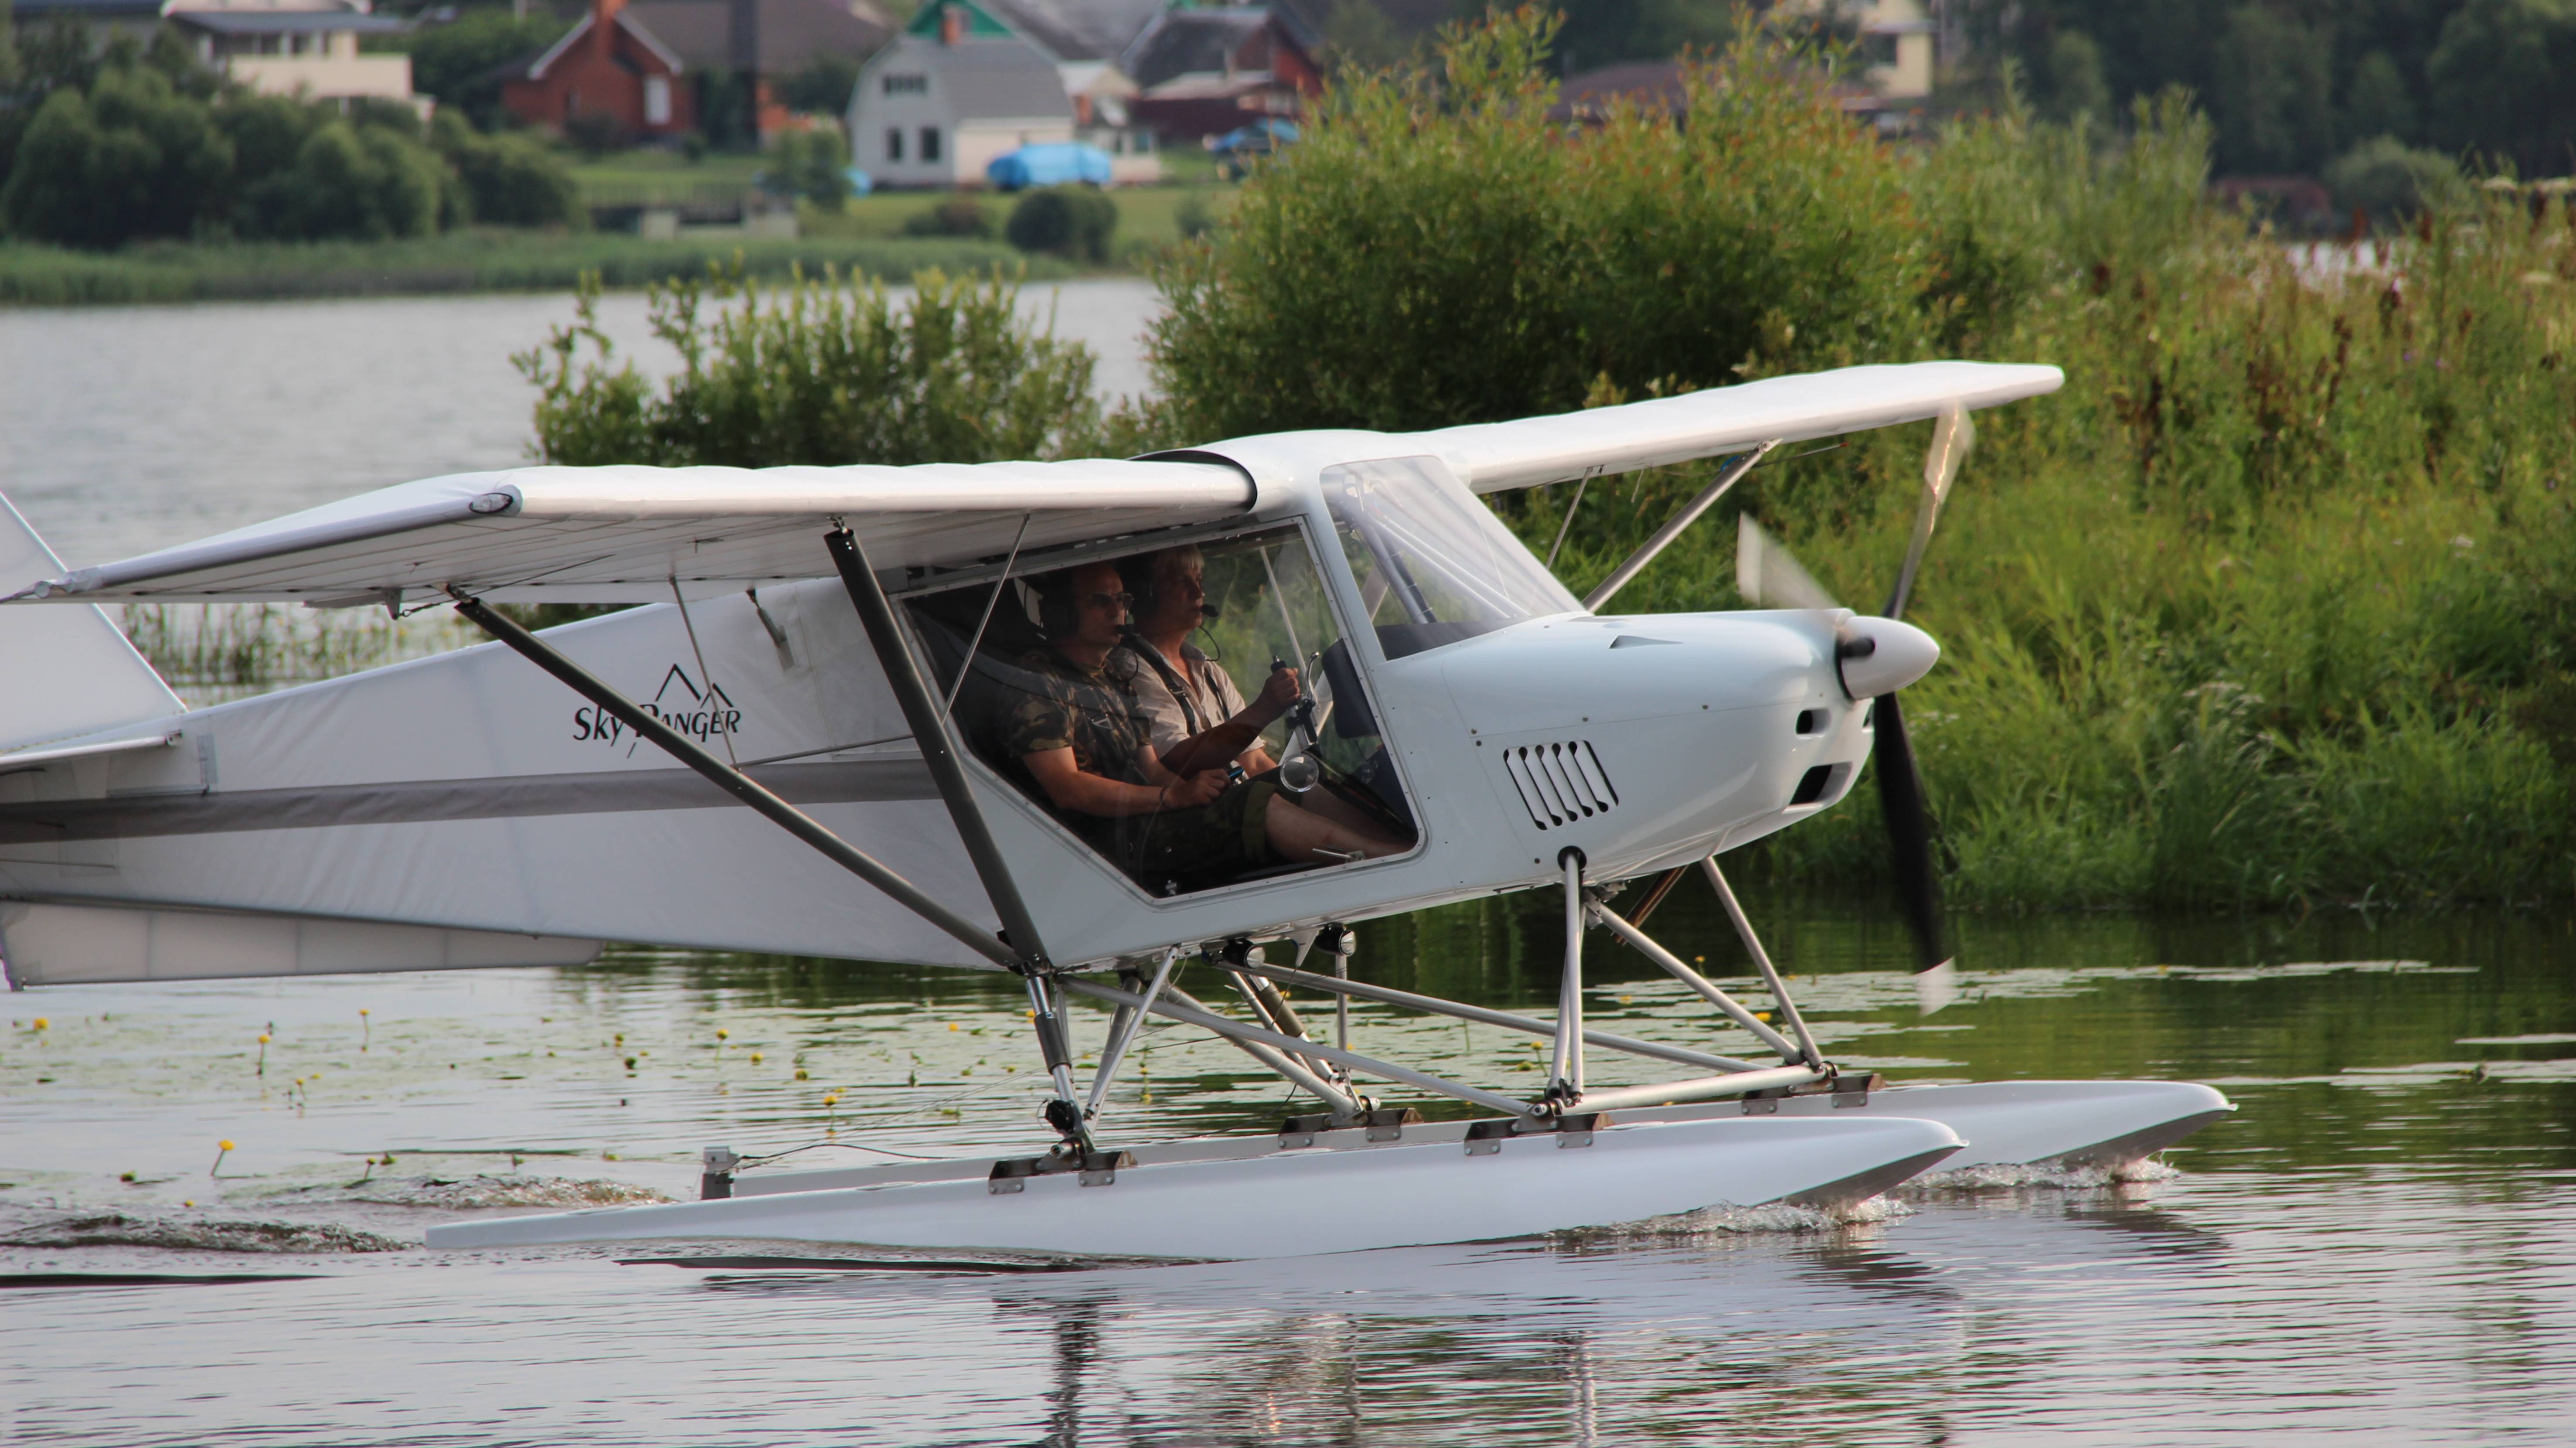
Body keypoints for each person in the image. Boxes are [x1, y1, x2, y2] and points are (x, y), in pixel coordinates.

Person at [998, 559, 1405, 892]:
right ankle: (1387, 863)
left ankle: (1404, 848)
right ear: (1060, 614)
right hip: (1105, 850)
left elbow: (1153, 770)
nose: (1118, 612)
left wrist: (1193, 791)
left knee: (1286, 781)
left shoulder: (1114, 681)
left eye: (1122, 600)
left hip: (1150, 823)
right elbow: (1067, 788)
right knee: (1253, 804)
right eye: (1101, 602)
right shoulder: (1039, 683)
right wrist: (1174, 800)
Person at [1113, 544, 1298, 777]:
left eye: (1199, 580)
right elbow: (1178, 761)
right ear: (1144, 595)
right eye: (1181, 582)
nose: (1199, 593)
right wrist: (1264, 709)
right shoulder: (1130, 669)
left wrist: (1297, 788)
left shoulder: (1209, 670)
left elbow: (1253, 761)